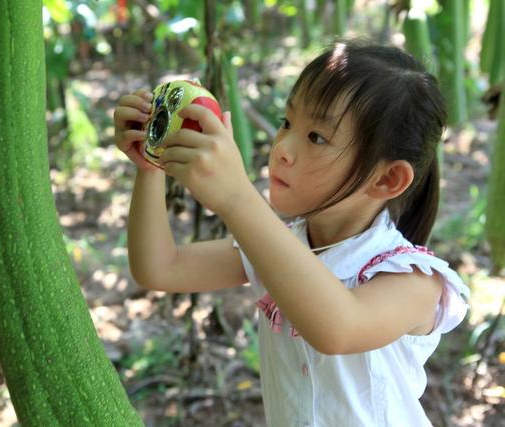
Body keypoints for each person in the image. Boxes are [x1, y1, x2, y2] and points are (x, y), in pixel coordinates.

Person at [113, 40, 470, 426]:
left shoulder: (414, 279)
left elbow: (338, 328)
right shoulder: (278, 246)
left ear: (387, 178)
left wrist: (236, 196)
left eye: (316, 137)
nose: (282, 147)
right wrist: (150, 164)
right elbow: (160, 267)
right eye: (287, 123)